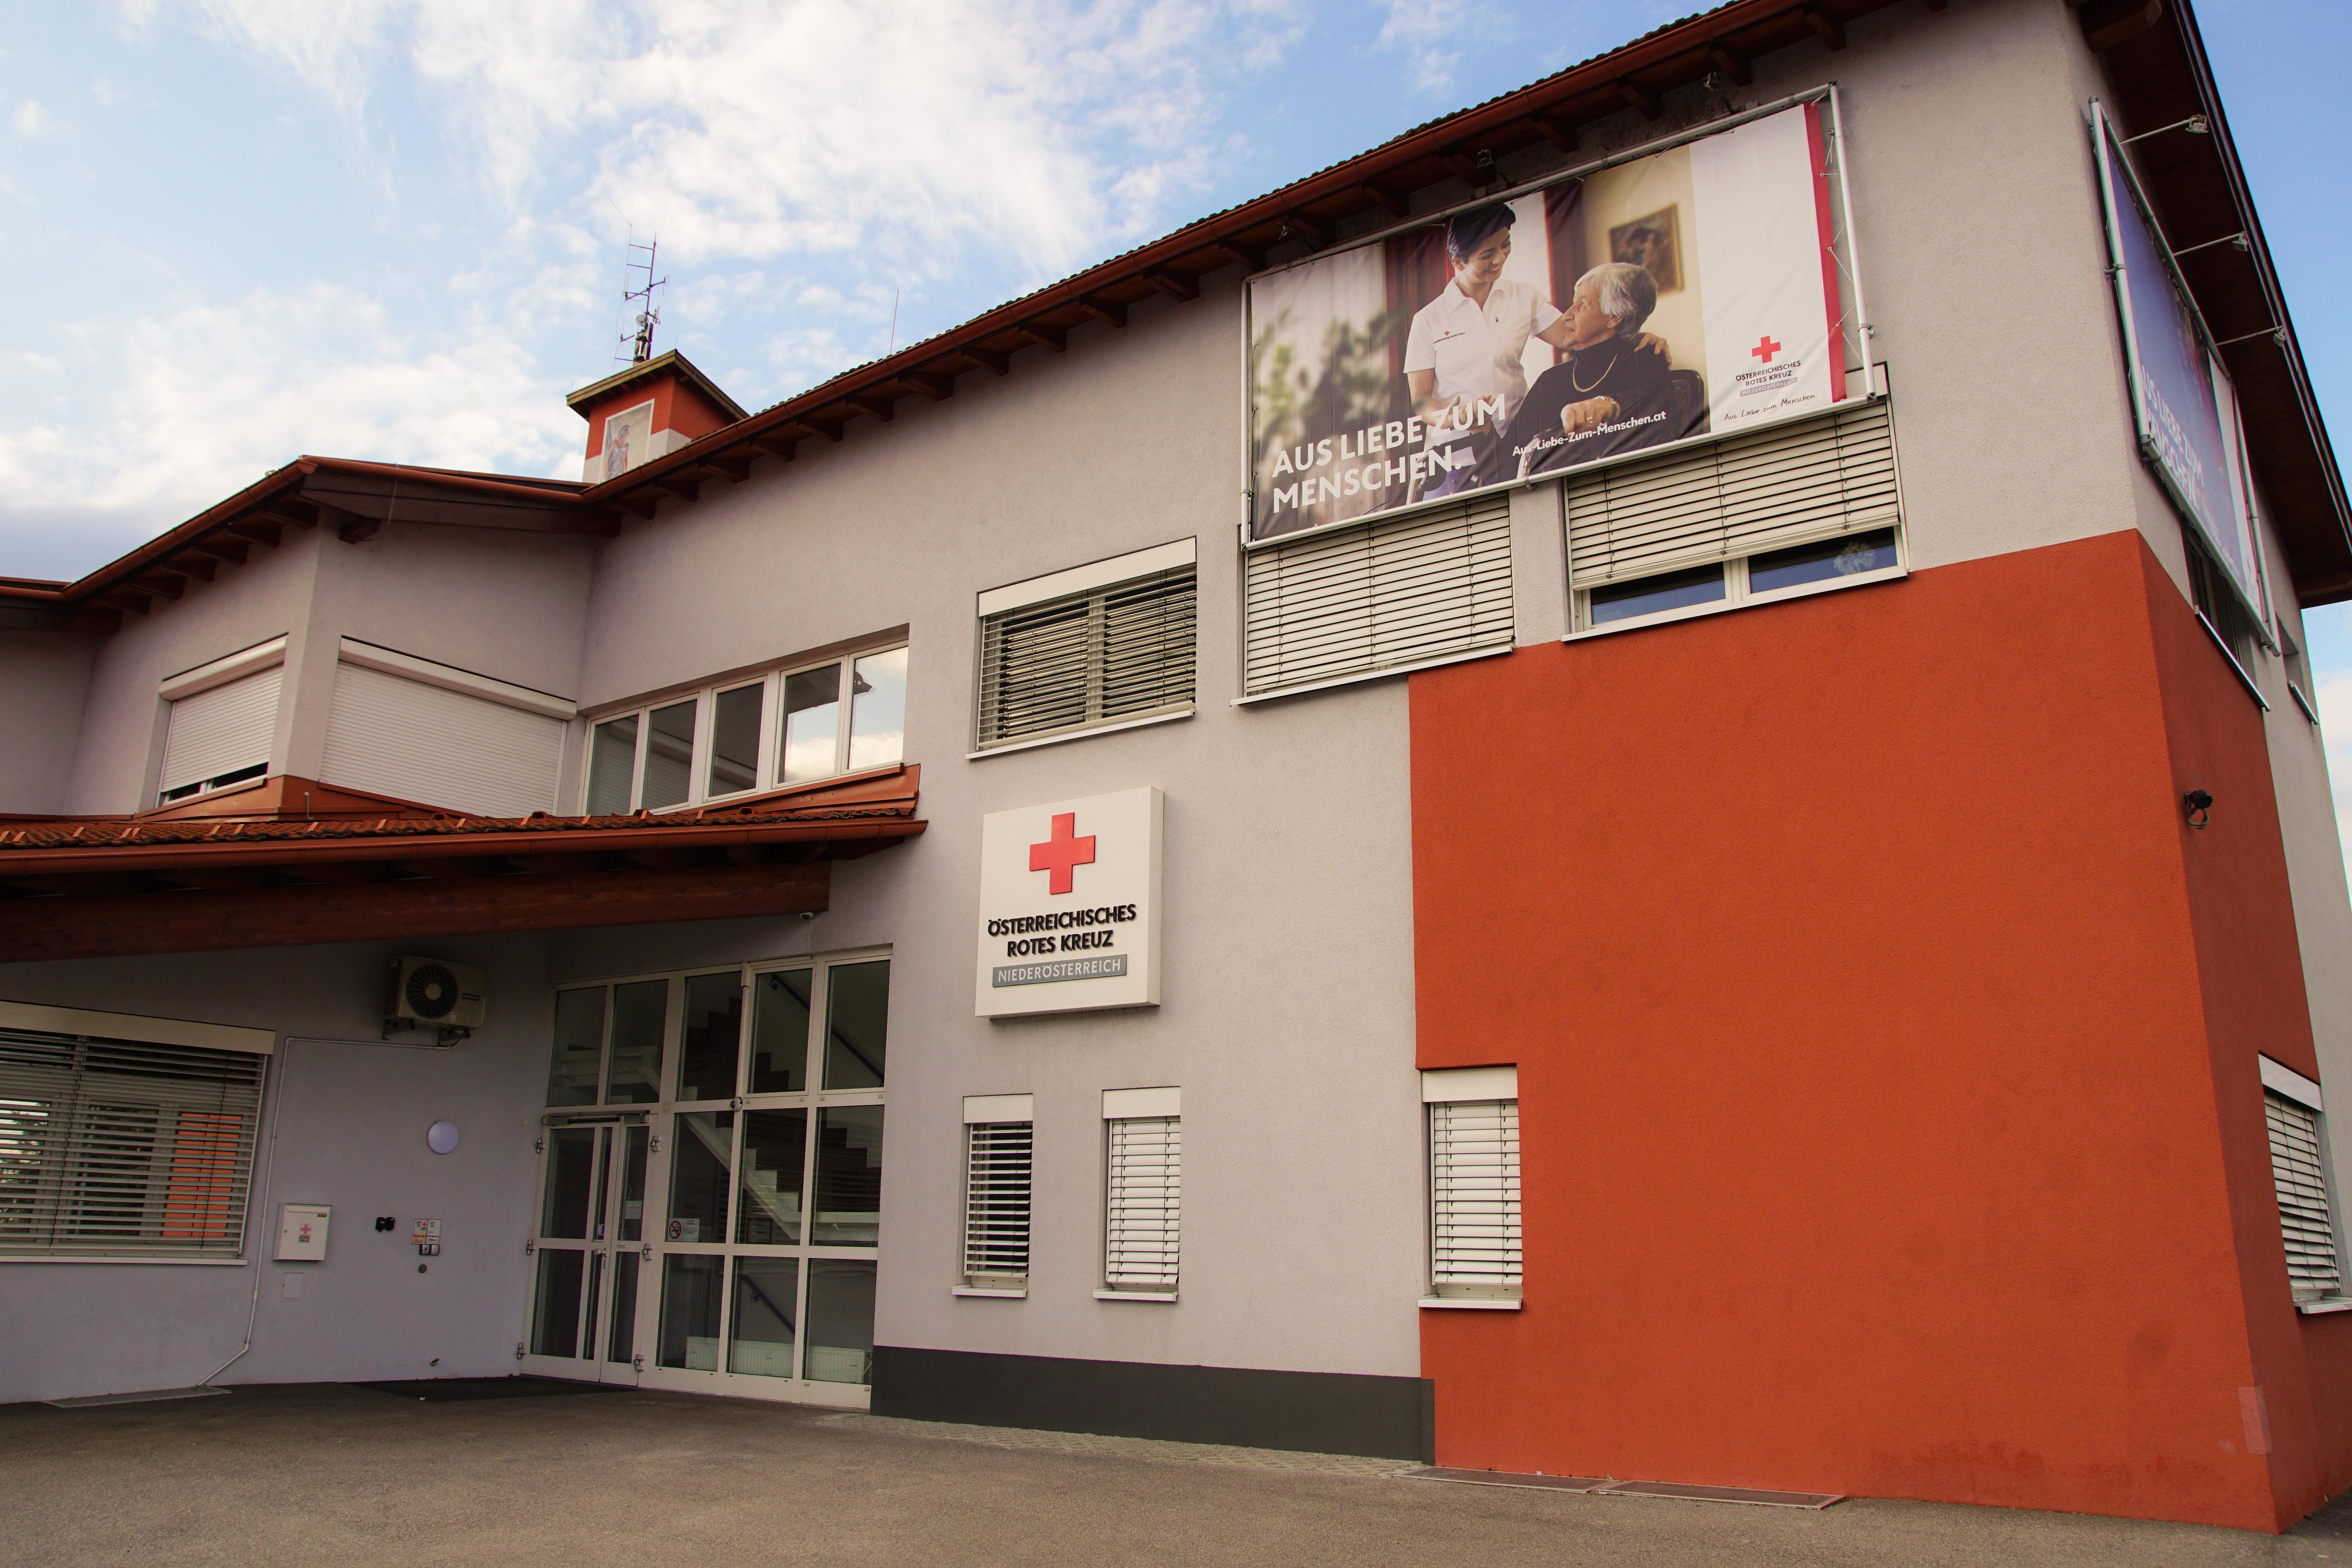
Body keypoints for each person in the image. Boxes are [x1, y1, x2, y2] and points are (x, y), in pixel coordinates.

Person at [1402, 205, 1665, 497]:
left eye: (1505, 245)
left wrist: (1635, 332)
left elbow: (1575, 335)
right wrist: (1457, 418)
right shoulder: (1428, 320)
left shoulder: (1523, 297)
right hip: (1454, 456)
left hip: (1515, 447)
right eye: (1487, 254)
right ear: (1458, 262)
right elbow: (1422, 402)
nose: (1500, 259)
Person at [1504, 262, 1677, 479]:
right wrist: (1480, 431)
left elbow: (1655, 412)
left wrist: (1607, 406)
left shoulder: (1645, 359)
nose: (1567, 315)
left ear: (1614, 317)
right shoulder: (1551, 380)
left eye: (1582, 305)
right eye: (1573, 304)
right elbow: (1506, 460)